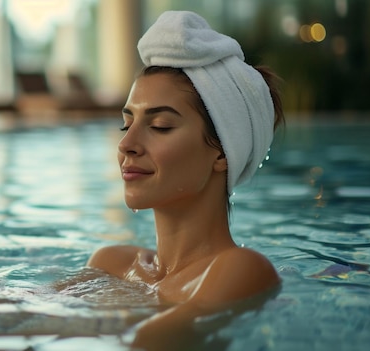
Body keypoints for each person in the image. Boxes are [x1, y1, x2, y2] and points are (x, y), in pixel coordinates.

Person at [87, 10, 285, 350]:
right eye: (126, 124)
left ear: (222, 153)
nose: (126, 144)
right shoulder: (112, 263)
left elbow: (148, 341)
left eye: (160, 126)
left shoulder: (242, 269)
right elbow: (14, 314)